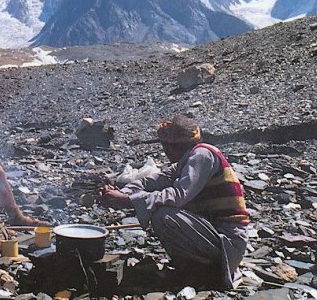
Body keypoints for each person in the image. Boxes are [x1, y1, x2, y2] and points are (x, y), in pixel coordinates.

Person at [100, 114, 249, 290]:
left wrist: (128, 201)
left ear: (189, 144)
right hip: (214, 236)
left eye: (175, 146)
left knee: (164, 215)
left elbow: (178, 195)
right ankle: (195, 269)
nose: (168, 151)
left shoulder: (202, 155)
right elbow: (150, 182)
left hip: (227, 242)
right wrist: (121, 193)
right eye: (166, 146)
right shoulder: (184, 162)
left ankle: (205, 273)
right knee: (158, 208)